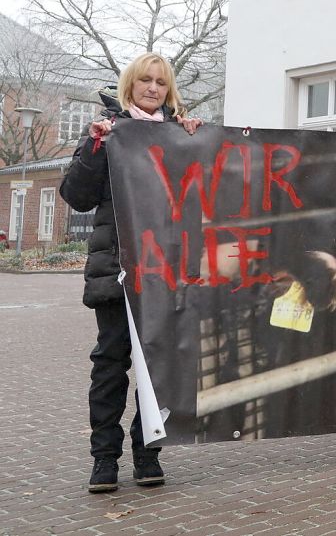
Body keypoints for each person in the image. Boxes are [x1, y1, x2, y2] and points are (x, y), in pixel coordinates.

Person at [60, 52, 203, 493]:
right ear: (130, 85)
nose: (153, 88)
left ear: (169, 90)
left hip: (165, 272)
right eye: (145, 80)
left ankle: (147, 454)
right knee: (110, 365)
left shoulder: (180, 134)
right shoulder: (109, 133)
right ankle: (104, 460)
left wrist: (197, 142)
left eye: (161, 83)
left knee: (156, 366)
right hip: (117, 271)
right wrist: (95, 147)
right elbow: (77, 197)